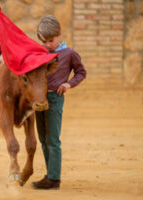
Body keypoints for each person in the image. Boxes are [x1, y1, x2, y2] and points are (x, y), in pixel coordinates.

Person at [31, 15, 87, 190]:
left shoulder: (69, 54)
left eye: (51, 40)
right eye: (44, 41)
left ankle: (54, 179)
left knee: (53, 139)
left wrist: (68, 83)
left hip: (55, 98)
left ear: (59, 34)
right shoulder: (40, 52)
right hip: (38, 99)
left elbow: (81, 72)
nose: (48, 45)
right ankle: (50, 175)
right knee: (42, 137)